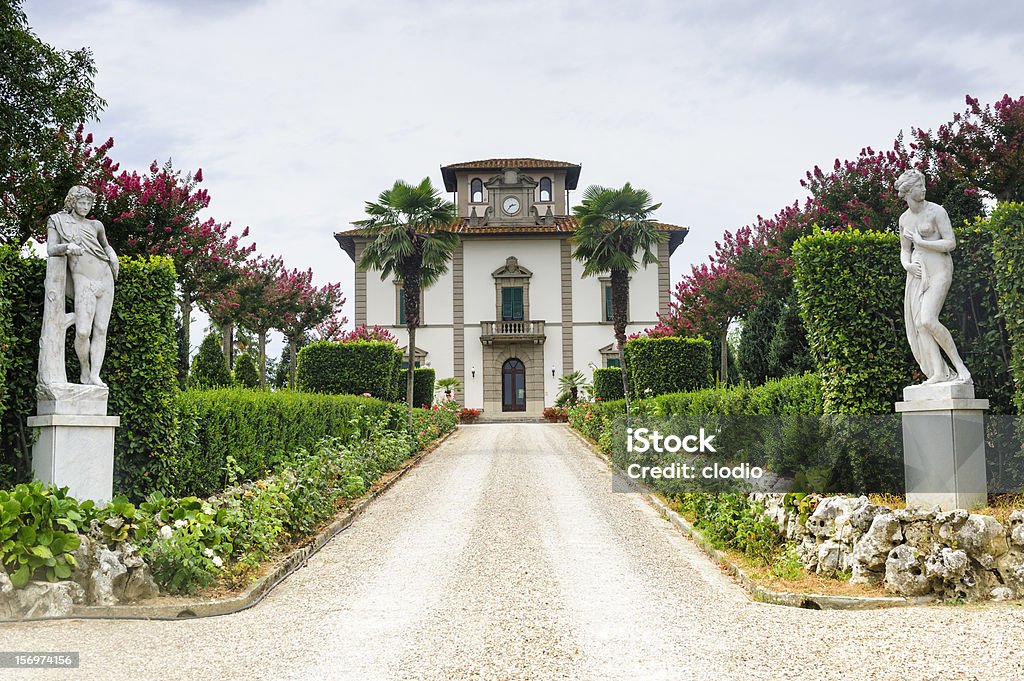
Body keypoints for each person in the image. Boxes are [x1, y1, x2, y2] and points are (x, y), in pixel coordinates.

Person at [896, 169, 970, 385]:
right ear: (909, 191)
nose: (924, 189)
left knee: (928, 318)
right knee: (920, 324)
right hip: (918, 273)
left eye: (923, 185)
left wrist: (923, 243)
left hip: (939, 270)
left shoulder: (937, 212)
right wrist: (907, 265)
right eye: (919, 186)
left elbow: (950, 243)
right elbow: (904, 250)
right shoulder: (904, 219)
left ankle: (959, 366)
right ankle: (938, 373)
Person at [45, 185, 119, 387]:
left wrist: (112, 255)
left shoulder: (96, 225)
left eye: (89, 203)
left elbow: (105, 245)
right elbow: (51, 249)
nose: (85, 206)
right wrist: (67, 247)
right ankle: (84, 369)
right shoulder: (57, 221)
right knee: (83, 332)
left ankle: (95, 375)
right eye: (81, 202)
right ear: (72, 202)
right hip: (83, 280)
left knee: (101, 329)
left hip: (104, 278)